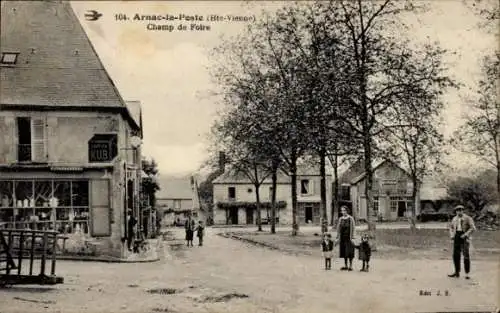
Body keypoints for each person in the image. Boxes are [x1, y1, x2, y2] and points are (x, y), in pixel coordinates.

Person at [448, 205, 476, 279]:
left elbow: (473, 228)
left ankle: (467, 273)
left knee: (466, 255)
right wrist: (452, 235)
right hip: (457, 237)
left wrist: (465, 234)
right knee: (455, 255)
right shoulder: (454, 218)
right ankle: (457, 272)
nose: (459, 211)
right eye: (457, 210)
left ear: (463, 211)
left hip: (464, 238)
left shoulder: (468, 218)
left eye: (461, 210)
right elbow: (451, 227)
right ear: (456, 211)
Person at [336, 206, 355, 271]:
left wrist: (353, 237)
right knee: (344, 252)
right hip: (342, 238)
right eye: (342, 211)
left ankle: (351, 266)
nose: (343, 212)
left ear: (347, 211)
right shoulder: (340, 219)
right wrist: (337, 237)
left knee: (349, 252)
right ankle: (345, 265)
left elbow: (353, 228)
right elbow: (338, 229)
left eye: (344, 210)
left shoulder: (351, 218)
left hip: (349, 238)